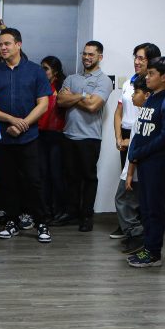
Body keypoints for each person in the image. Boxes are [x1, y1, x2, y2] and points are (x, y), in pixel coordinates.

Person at [0, 27, 53, 243]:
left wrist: (22, 124)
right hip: (3, 136)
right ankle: (11, 221)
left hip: (29, 137)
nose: (3, 48)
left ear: (18, 45)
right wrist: (11, 120)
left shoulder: (35, 71)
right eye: (0, 44)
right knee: (7, 182)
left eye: (7, 43)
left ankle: (41, 223)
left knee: (34, 181)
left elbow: (43, 104)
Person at [125, 56, 165, 267]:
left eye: (151, 74)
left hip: (158, 163)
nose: (147, 77)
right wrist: (135, 153)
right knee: (146, 207)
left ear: (164, 77)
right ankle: (147, 247)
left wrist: (141, 152)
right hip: (145, 161)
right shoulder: (151, 98)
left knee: (154, 208)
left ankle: (154, 253)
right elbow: (142, 130)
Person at [54, 40, 113, 232]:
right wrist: (83, 96)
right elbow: (60, 101)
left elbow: (93, 106)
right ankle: (71, 212)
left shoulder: (104, 80)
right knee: (70, 177)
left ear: (100, 57)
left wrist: (73, 96)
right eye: (85, 54)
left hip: (90, 138)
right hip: (68, 135)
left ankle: (87, 216)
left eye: (91, 54)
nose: (87, 57)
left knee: (88, 178)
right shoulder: (72, 78)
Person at [112, 42, 160, 248]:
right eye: (136, 57)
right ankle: (130, 228)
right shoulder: (130, 83)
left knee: (134, 188)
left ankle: (137, 231)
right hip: (128, 135)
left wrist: (130, 141)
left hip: (141, 138)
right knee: (128, 186)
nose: (137, 61)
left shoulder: (154, 90)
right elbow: (119, 112)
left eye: (142, 58)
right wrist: (119, 138)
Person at [38, 56, 67, 221]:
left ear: (55, 71)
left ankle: (59, 210)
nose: (43, 72)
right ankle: (45, 210)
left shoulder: (62, 86)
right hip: (40, 134)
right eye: (42, 68)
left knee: (56, 174)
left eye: (46, 68)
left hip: (57, 135)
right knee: (43, 174)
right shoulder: (40, 85)